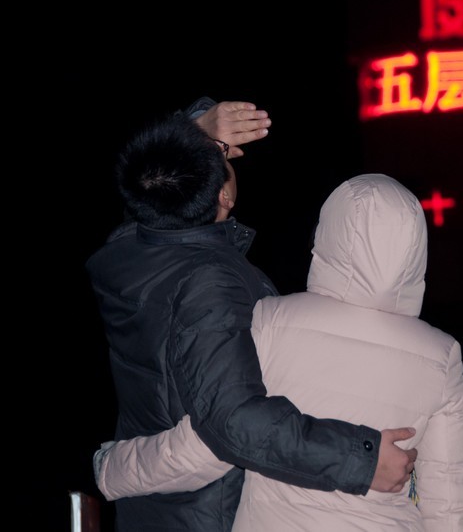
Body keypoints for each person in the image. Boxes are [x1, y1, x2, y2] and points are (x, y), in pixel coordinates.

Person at [86, 101, 417, 532]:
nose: (223, 155)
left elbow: (147, 187)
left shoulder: (130, 251)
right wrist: (362, 459)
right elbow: (234, 418)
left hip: (159, 508)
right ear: (225, 195)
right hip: (208, 514)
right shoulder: (209, 281)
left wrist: (192, 130)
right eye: (219, 157)